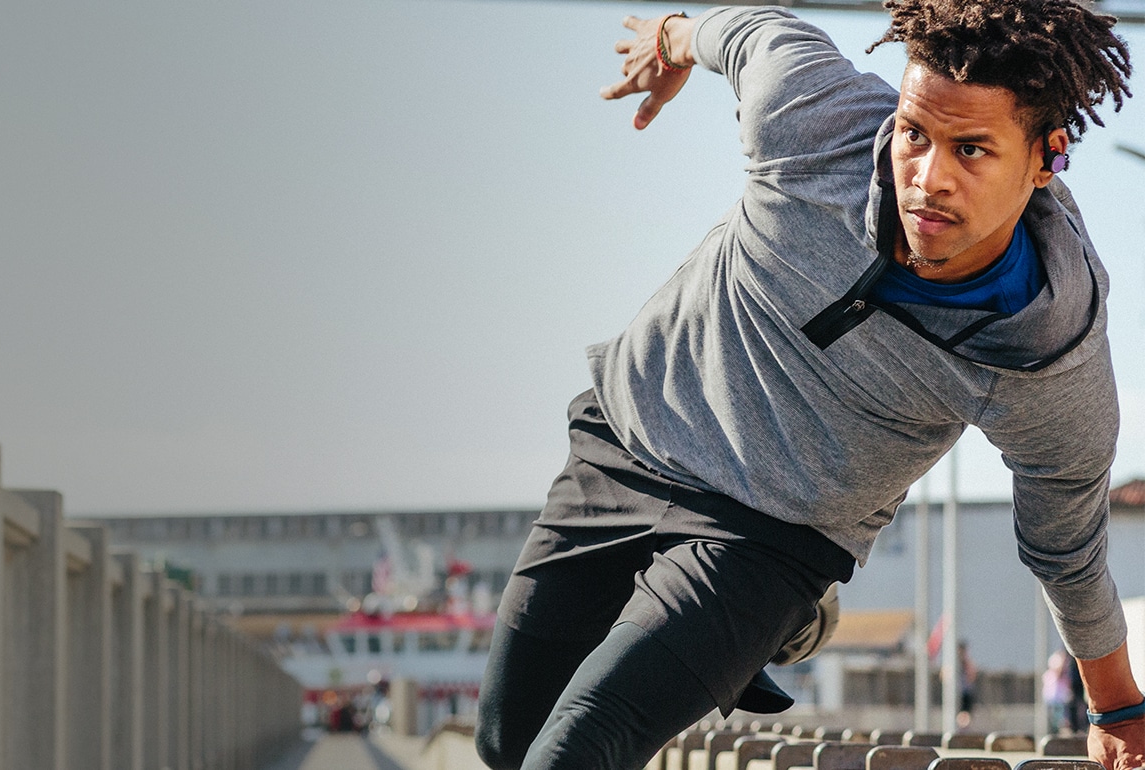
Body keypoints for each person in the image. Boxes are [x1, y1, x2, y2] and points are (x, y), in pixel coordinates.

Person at [472, 1, 1145, 768]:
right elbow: (747, 31)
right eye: (915, 134)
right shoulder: (816, 121)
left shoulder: (1044, 352)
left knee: (578, 746)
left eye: (971, 150)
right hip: (629, 440)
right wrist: (668, 39)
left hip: (768, 538)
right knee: (506, 739)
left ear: (1046, 157)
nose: (928, 179)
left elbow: (1067, 548)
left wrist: (1117, 705)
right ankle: (773, 631)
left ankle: (776, 616)